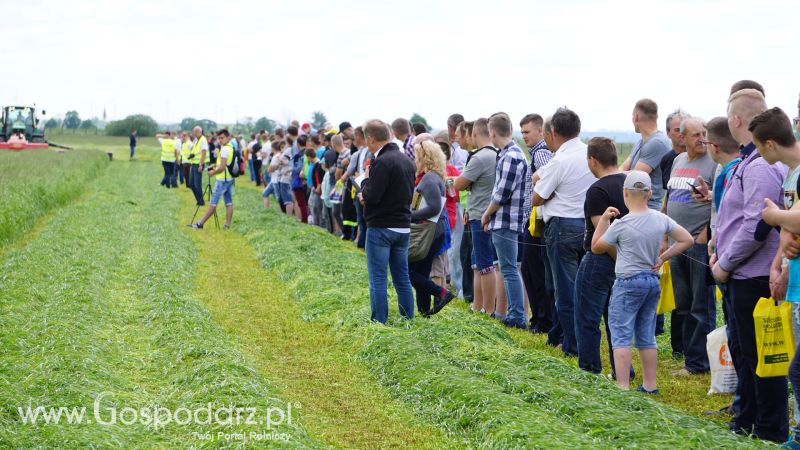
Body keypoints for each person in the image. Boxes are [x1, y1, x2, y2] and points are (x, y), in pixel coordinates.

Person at [713, 88, 788, 443]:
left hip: (752, 275)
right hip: (740, 271)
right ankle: (746, 419)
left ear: (736, 120)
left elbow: (756, 225)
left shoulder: (760, 166)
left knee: (761, 358)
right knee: (744, 353)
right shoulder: (748, 161)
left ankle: (768, 428)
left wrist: (725, 262)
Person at [592, 170, 693, 392]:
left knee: (620, 333)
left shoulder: (621, 224)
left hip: (627, 282)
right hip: (651, 280)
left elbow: (596, 246)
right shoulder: (660, 218)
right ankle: (650, 385)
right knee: (646, 334)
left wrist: (604, 220)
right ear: (649, 194)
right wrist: (663, 258)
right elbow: (687, 239)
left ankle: (622, 386)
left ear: (625, 192)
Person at [751, 107, 800, 449]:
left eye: (757, 147)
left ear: (769, 144)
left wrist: (772, 215)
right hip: (795, 280)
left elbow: (793, 220)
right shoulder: (791, 175)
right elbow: (791, 228)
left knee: (797, 371)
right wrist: (778, 265)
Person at [533, 108, 596, 356]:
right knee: (585, 288)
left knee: (565, 290)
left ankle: (572, 345)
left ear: (553, 132)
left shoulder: (559, 161)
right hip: (590, 226)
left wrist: (539, 184)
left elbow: (537, 198)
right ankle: (580, 339)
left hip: (562, 227)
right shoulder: (590, 154)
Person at [663, 117, 717, 375]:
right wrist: (664, 232)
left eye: (704, 133)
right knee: (683, 303)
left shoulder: (714, 164)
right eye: (695, 134)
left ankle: (699, 363)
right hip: (676, 243)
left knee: (701, 306)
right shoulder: (678, 161)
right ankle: (688, 354)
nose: (702, 138)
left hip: (697, 243)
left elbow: (719, 203)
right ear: (682, 138)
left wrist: (705, 234)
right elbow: (669, 196)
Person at [575, 137, 629, 375]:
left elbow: (604, 237)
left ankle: (589, 368)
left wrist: (620, 261)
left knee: (587, 315)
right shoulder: (629, 183)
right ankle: (622, 370)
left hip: (601, 261)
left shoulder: (598, 190)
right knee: (615, 318)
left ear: (593, 160)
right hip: (626, 257)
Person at [359, 119, 416, 324]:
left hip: (381, 227)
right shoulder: (406, 161)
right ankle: (408, 319)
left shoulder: (381, 162)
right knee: (402, 278)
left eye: (366, 140)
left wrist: (365, 181)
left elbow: (372, 196)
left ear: (371, 139)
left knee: (378, 279)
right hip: (403, 227)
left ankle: (379, 323)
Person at [481, 113, 529, 329]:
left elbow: (502, 194)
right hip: (508, 220)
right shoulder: (511, 153)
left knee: (508, 269)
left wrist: (487, 213)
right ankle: (515, 313)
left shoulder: (511, 156)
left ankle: (517, 316)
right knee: (507, 267)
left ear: (492, 132)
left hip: (506, 220)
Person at [408, 140, 457, 316]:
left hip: (429, 234)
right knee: (420, 272)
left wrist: (409, 215)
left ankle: (441, 293)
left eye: (417, 157)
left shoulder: (429, 179)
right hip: (436, 232)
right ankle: (424, 311)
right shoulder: (435, 176)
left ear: (424, 158)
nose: (415, 160)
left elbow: (434, 207)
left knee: (408, 273)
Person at [455, 118, 497, 315]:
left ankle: (487, 309)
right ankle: (478, 305)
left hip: (481, 215)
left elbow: (459, 184)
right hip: (478, 213)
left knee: (485, 265)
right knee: (477, 263)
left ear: (474, 134)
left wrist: (453, 180)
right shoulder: (493, 155)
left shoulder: (481, 158)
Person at [519, 113, 554, 334]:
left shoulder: (541, 154)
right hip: (533, 220)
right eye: (521, 132)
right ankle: (539, 318)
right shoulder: (537, 153)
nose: (524, 136)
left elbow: (544, 183)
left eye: (527, 132)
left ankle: (542, 320)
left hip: (537, 221)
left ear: (541, 131)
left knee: (534, 272)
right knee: (530, 270)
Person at [621, 99, 672, 210]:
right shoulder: (640, 143)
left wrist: (609, 175)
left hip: (649, 208)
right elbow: (622, 169)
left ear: (636, 117)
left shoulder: (657, 143)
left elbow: (634, 177)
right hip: (636, 207)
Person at [189, 129, 236, 230]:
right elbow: (225, 164)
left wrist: (212, 173)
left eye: (222, 138)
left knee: (213, 203)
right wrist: (214, 166)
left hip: (222, 180)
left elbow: (222, 167)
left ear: (228, 137)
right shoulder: (231, 147)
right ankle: (227, 225)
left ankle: (200, 224)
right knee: (228, 202)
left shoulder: (224, 149)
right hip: (230, 179)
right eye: (219, 138)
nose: (220, 140)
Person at [659, 109, 688, 191]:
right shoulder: (666, 160)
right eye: (677, 130)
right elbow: (668, 192)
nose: (682, 134)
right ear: (668, 132)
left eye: (685, 130)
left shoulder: (702, 158)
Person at [188, 126, 209, 206]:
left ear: (200, 132)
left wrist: (201, 164)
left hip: (198, 164)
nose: (194, 133)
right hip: (194, 164)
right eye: (194, 132)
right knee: (191, 183)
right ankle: (199, 200)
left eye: (196, 132)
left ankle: (201, 201)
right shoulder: (196, 140)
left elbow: (204, 152)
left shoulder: (203, 139)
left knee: (197, 184)